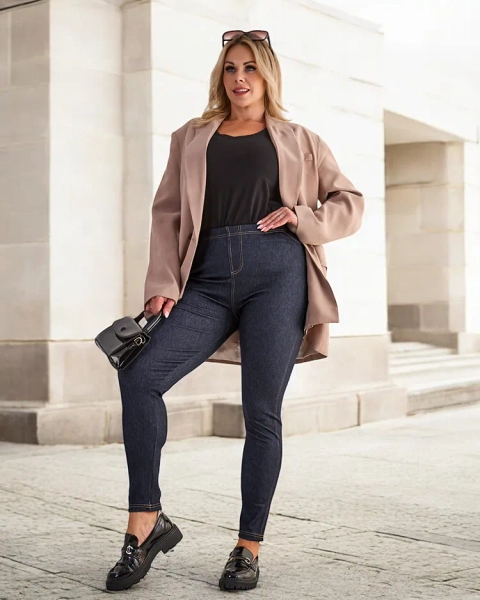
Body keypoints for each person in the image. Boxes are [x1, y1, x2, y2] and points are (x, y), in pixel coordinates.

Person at [106, 29, 364, 593]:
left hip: (278, 276)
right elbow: (167, 213)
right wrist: (163, 282)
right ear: (220, 75)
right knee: (140, 375)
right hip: (206, 279)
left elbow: (350, 201)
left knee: (261, 412)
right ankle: (145, 522)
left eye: (250, 67)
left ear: (267, 74)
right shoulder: (192, 137)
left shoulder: (301, 139)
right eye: (230, 68)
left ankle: (248, 546)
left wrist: (302, 217)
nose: (239, 78)